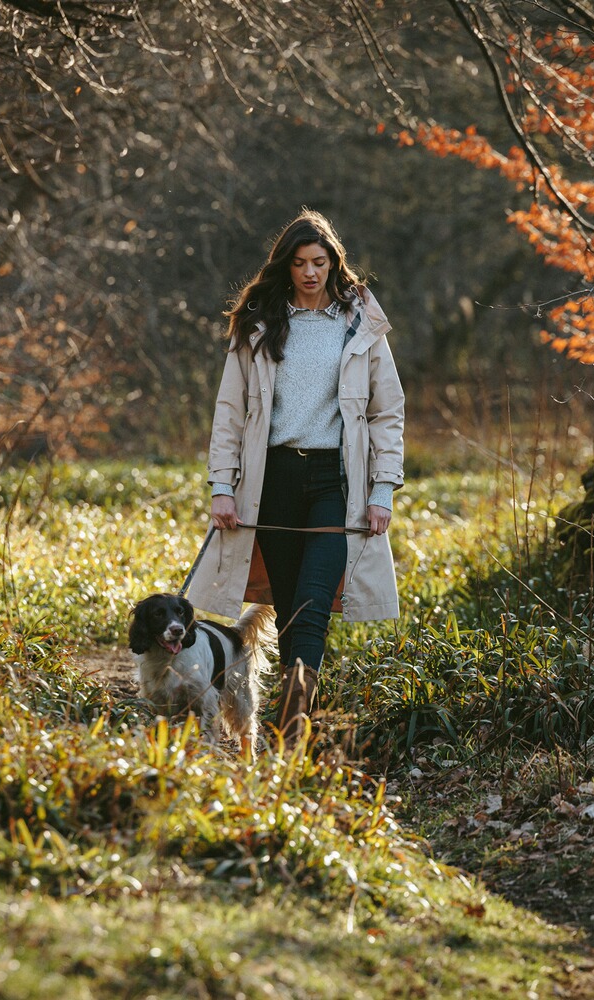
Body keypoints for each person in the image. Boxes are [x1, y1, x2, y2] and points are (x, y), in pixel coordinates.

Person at [187, 210, 405, 742]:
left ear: (334, 264)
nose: (310, 273)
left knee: (311, 608)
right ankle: (288, 732)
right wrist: (222, 486)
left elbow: (387, 412)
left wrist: (381, 491)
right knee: (287, 610)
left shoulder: (362, 326)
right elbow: (230, 412)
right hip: (273, 482)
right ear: (286, 267)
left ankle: (292, 729)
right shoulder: (259, 324)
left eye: (320, 262)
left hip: (335, 483)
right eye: (301, 263)